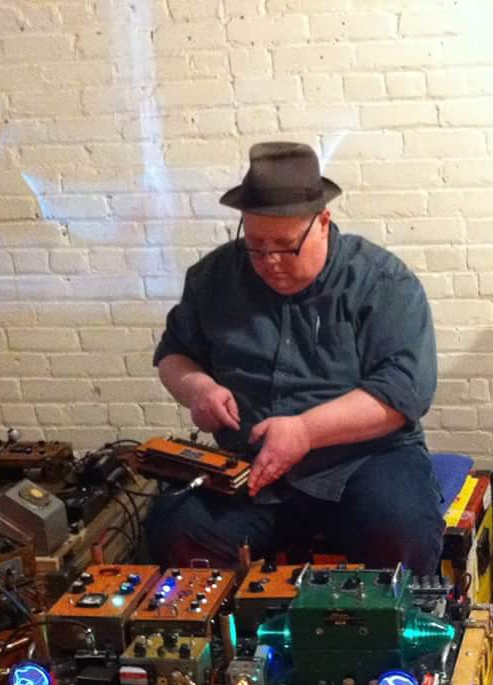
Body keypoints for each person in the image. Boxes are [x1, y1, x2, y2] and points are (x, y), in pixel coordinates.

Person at [146, 141, 443, 574]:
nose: (269, 261)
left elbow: (404, 392)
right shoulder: (213, 277)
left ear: (322, 222)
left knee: (401, 531)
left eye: (286, 246)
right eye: (255, 244)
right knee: (174, 525)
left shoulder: (382, 281)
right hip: (251, 467)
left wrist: (305, 431)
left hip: (363, 461)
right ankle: (240, 618)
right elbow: (174, 354)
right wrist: (198, 388)